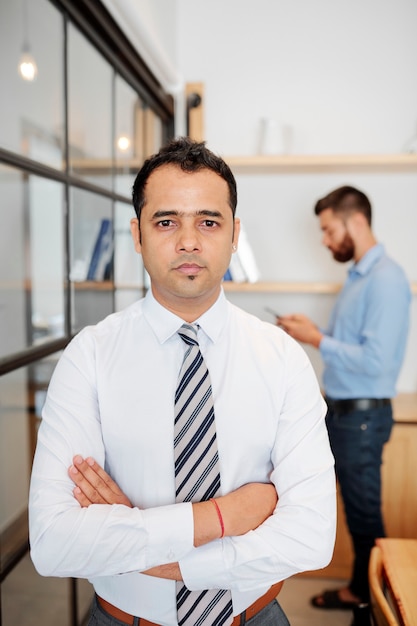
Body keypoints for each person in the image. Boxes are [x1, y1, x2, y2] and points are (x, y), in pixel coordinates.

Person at [29, 137, 336, 626]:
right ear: (137, 233)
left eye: (208, 222)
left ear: (235, 234)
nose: (188, 241)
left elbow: (312, 537)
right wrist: (222, 518)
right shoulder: (89, 356)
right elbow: (53, 542)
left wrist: (145, 539)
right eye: (166, 221)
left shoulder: (282, 358)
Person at [277, 186, 411, 623]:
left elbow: (375, 361)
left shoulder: (387, 279)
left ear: (355, 222)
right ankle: (360, 589)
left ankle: (373, 606)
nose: (324, 239)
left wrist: (316, 338)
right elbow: (350, 345)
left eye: (328, 229)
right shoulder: (358, 277)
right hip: (343, 413)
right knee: (355, 511)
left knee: (365, 514)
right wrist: (313, 330)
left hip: (362, 417)